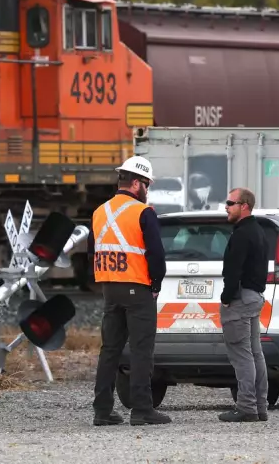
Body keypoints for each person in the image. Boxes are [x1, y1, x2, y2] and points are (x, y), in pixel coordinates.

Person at [88, 155, 171, 427]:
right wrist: (156, 284)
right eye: (147, 184)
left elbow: (92, 250)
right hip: (138, 288)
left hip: (109, 289)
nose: (147, 190)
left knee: (109, 350)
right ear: (137, 183)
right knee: (141, 350)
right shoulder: (143, 213)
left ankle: (102, 410)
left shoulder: (99, 212)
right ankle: (142, 409)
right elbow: (156, 255)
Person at [218, 187, 270, 422]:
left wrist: (226, 298)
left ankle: (247, 406)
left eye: (230, 203)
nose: (226, 207)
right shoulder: (258, 231)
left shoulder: (241, 234)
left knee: (242, 354)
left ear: (244, 205)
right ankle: (260, 406)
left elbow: (233, 270)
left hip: (241, 299)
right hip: (255, 297)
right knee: (254, 353)